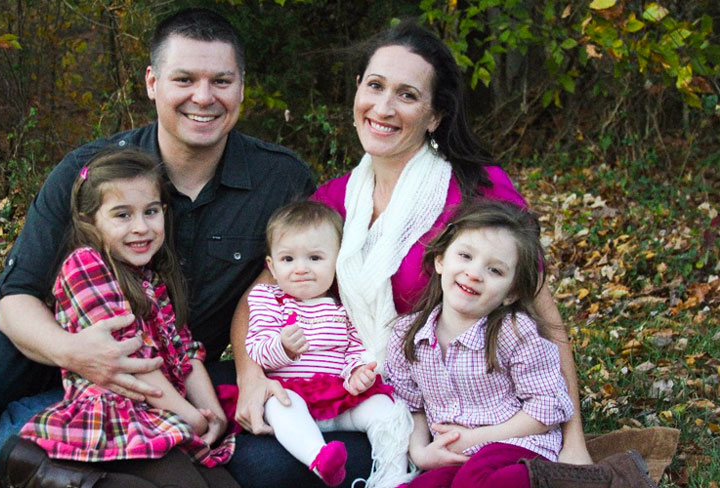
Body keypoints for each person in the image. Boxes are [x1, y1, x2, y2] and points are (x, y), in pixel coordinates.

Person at [0, 8, 316, 481]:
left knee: (11, 439)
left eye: (222, 81)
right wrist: (75, 352)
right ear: (152, 82)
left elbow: (268, 291)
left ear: (241, 87)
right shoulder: (89, 169)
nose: (203, 97)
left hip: (149, 372)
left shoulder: (280, 180)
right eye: (184, 79)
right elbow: (16, 298)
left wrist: (250, 372)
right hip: (40, 339)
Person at [229, 20, 598, 487]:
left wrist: (575, 442)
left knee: (264, 469)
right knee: (235, 441)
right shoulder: (336, 201)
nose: (383, 107)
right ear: (358, 90)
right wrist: (249, 375)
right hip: (348, 381)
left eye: (406, 95)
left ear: (435, 115)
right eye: (375, 86)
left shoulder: (476, 189)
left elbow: (543, 314)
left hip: (436, 407)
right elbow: (257, 296)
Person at [0, 149, 237, 487]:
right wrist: (189, 416)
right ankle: (41, 473)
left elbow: (184, 351)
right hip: (115, 416)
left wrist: (213, 415)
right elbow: (131, 360)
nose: (141, 227)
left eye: (151, 212)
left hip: (162, 412)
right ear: (90, 220)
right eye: (122, 215)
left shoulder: (152, 277)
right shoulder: (85, 265)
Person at [385, 201, 657, 488]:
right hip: (455, 455)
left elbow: (548, 408)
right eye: (465, 255)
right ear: (441, 260)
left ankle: (611, 479)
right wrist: (420, 452)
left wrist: (475, 438)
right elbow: (410, 403)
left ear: (510, 293)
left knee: (486, 481)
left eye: (495, 271)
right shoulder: (409, 334)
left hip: (519, 445)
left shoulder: (514, 332)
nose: (474, 273)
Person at [244, 201, 412, 487]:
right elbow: (257, 348)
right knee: (279, 405)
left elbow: (355, 348)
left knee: (387, 408)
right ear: (271, 266)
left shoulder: (343, 307)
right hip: (292, 394)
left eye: (315, 258)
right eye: (288, 260)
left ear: (337, 261)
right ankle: (320, 459)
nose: (301, 269)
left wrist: (358, 372)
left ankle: (393, 476)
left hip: (338, 398)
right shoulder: (268, 299)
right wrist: (282, 347)